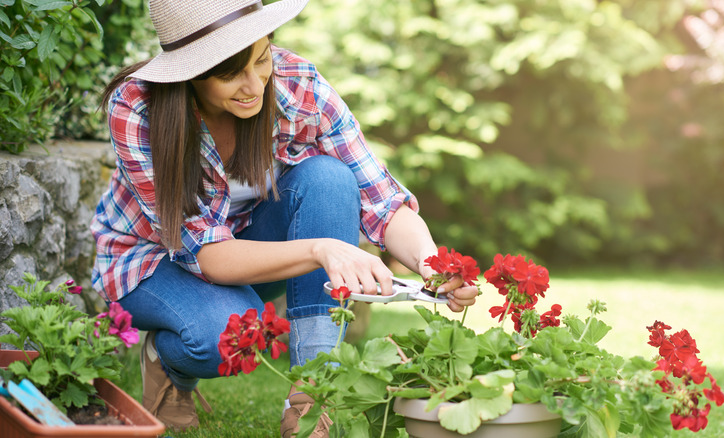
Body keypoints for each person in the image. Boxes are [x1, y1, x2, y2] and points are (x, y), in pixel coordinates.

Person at [91, 0, 479, 435]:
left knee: (329, 179)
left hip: (249, 244)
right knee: (232, 338)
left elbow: (382, 199)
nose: (254, 84)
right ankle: (166, 361)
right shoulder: (140, 109)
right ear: (189, 74)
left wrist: (433, 265)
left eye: (262, 59)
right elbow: (208, 253)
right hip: (150, 264)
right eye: (229, 73)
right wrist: (321, 250)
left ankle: (309, 399)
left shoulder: (299, 84)